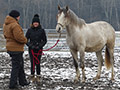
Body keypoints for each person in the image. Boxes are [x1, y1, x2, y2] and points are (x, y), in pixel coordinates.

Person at [3, 10, 29, 89]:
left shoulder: (6, 24)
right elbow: (19, 37)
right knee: (16, 66)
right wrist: (25, 40)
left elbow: (5, 35)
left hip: (10, 47)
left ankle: (22, 81)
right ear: (16, 17)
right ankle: (13, 84)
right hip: (16, 48)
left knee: (20, 65)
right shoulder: (15, 25)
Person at [26, 14, 47, 83]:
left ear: (38, 23)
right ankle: (32, 75)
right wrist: (30, 45)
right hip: (31, 49)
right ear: (32, 23)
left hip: (39, 49)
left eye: (37, 22)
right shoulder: (29, 30)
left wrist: (40, 46)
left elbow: (44, 40)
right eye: (34, 22)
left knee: (38, 62)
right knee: (32, 62)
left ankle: (38, 75)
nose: (35, 24)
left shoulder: (42, 30)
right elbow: (26, 40)